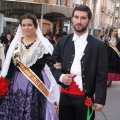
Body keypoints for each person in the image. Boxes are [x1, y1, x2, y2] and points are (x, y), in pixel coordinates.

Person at [49, 5, 108, 120]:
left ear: (89, 21)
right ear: (72, 19)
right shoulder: (63, 41)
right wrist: (61, 76)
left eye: (83, 18)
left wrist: (100, 100)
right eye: (76, 17)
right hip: (65, 97)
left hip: (86, 98)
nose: (79, 21)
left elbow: (102, 74)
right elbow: (52, 63)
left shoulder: (98, 45)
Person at [0, 13, 59, 120]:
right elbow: (10, 65)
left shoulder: (43, 44)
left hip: (35, 85)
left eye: (29, 25)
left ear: (35, 26)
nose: (26, 28)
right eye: (23, 25)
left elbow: (51, 64)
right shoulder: (15, 43)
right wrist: (4, 82)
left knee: (31, 112)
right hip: (16, 84)